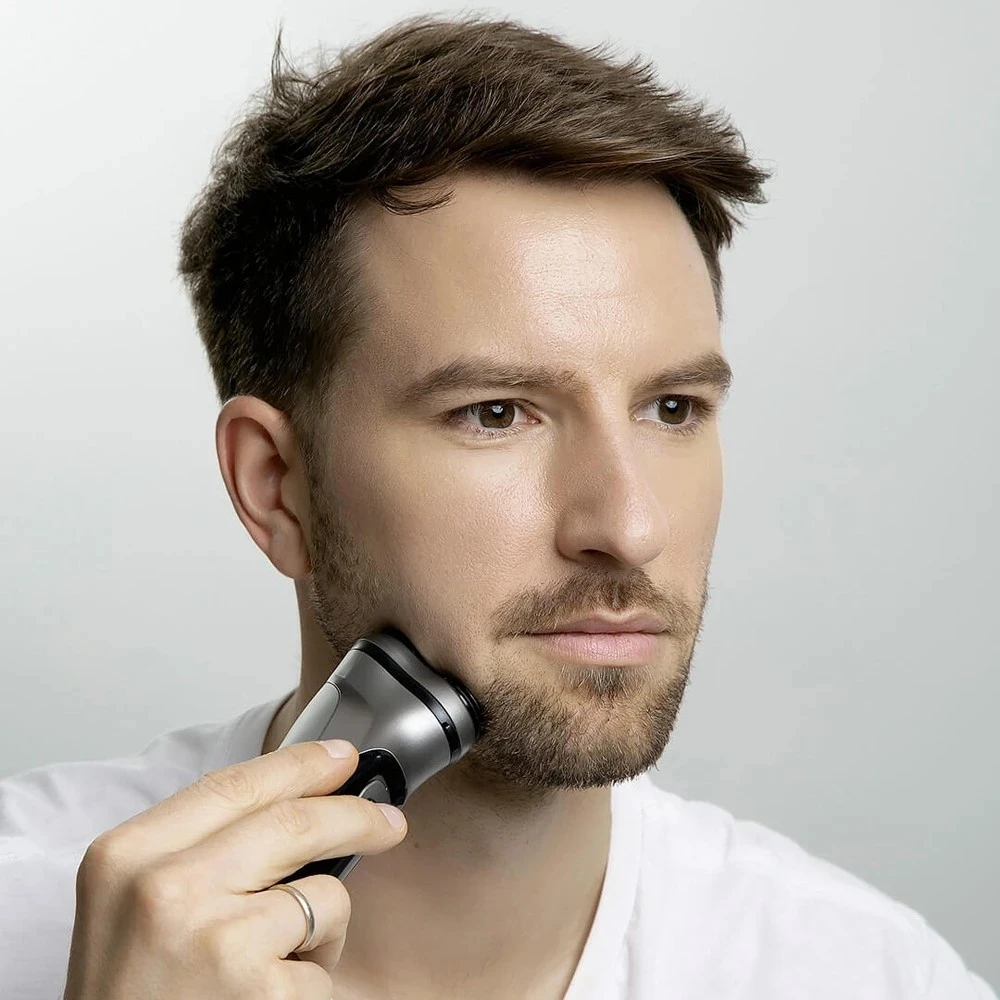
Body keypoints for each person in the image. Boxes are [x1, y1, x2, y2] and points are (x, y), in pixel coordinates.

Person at [0, 13, 993, 1000]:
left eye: (672, 408)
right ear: (275, 486)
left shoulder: (872, 976)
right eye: (496, 413)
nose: (629, 528)